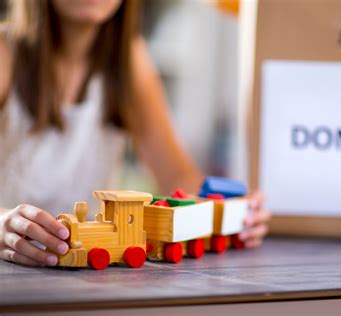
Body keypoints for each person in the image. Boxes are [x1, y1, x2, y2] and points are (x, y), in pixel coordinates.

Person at [0, 0, 270, 267]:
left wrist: (232, 213)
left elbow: (177, 176)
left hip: (89, 276)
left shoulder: (130, 60)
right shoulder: (4, 53)